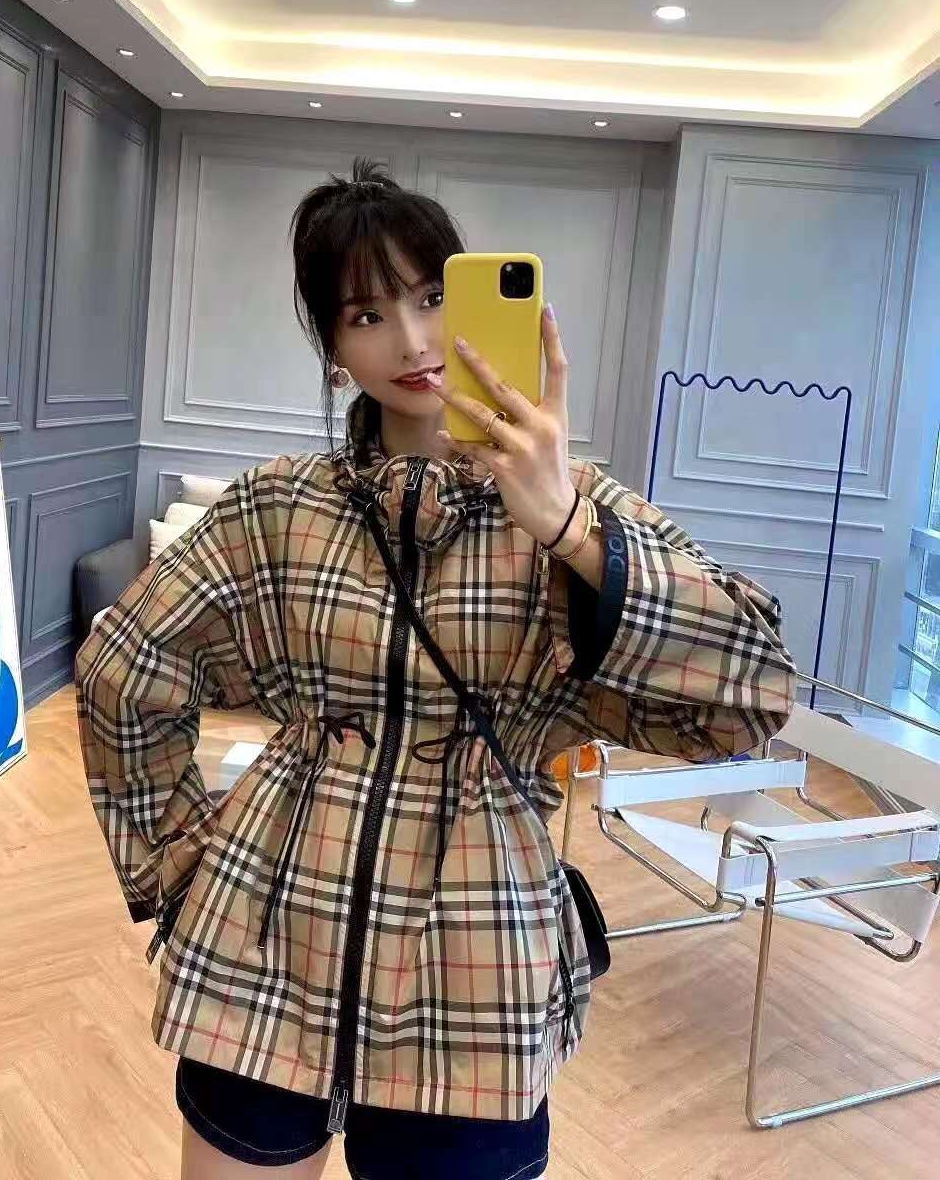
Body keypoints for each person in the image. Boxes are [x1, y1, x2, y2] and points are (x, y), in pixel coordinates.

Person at [75, 159, 796, 1180]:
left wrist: (570, 530)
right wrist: (178, 868)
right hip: (263, 931)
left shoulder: (581, 504)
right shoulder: (278, 505)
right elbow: (123, 667)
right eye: (367, 314)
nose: (411, 341)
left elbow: (753, 692)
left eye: (431, 298)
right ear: (333, 349)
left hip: (476, 962)